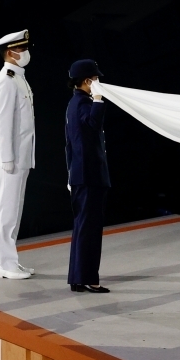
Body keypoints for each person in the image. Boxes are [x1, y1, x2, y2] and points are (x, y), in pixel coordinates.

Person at [0, 29, 36, 280]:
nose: (25, 53)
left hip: (20, 156)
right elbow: (3, 123)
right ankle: (3, 265)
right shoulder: (5, 80)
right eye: (21, 49)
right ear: (11, 52)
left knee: (14, 211)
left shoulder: (18, 77)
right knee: (5, 211)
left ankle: (10, 261)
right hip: (10, 158)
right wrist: (8, 158)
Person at [65, 59, 111, 293]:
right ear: (87, 81)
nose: (98, 83)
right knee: (90, 229)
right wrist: (98, 100)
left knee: (83, 227)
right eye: (95, 79)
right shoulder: (83, 103)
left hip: (81, 175)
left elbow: (69, 145)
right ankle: (89, 278)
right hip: (89, 176)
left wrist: (70, 173)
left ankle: (78, 277)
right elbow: (93, 124)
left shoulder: (74, 104)